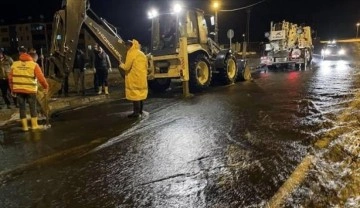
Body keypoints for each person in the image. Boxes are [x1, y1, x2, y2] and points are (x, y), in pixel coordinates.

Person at [9, 46, 49, 131]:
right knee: (32, 107)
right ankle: (34, 125)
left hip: (19, 90)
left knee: (22, 108)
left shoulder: (14, 64)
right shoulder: (34, 64)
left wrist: (12, 89)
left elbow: (10, 78)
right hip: (30, 90)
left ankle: (25, 127)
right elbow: (41, 78)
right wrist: (46, 86)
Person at [119, 39, 148, 118]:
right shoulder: (141, 53)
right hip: (142, 77)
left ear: (130, 45)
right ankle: (140, 111)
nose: (126, 47)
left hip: (134, 77)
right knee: (140, 95)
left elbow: (127, 67)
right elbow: (146, 66)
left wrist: (121, 64)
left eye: (126, 45)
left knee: (135, 95)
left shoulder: (131, 53)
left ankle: (136, 113)